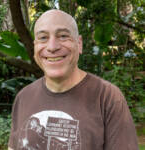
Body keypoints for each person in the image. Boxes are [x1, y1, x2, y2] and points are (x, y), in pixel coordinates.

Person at [8, 9, 139, 150]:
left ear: (79, 44)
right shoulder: (24, 97)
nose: (52, 47)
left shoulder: (107, 97)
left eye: (63, 36)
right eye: (43, 37)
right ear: (35, 46)